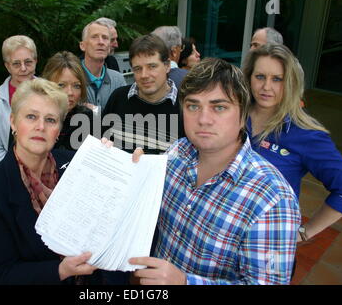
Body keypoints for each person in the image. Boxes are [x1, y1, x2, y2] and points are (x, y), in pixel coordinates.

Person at [128, 57, 301, 284]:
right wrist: (129, 172)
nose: (203, 119)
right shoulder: (177, 152)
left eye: (219, 107)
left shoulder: (273, 199)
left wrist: (185, 283)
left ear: (243, 115)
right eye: (193, 106)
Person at [0, 78, 97, 284]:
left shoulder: (76, 165)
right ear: (12, 121)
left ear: (59, 129)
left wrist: (116, 163)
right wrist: (60, 270)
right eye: (31, 116)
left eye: (51, 120)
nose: (40, 127)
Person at [242, 43, 342, 243]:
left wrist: (304, 232)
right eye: (260, 77)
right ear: (249, 77)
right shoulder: (234, 114)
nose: (266, 87)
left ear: (290, 82)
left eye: (277, 79)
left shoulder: (306, 133)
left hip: (267, 243)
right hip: (222, 233)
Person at [102, 34, 185, 154]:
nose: (144, 75)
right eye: (138, 69)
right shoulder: (118, 98)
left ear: (167, 66)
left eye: (152, 66)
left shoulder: (184, 106)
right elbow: (101, 141)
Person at [0, 35, 38, 164]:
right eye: (16, 64)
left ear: (36, 61)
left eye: (28, 62)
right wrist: (15, 170)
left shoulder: (50, 92)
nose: (23, 68)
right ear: (7, 66)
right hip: (11, 169)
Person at [41, 51, 94, 151]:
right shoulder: (32, 117)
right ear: (47, 85)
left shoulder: (87, 118)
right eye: (61, 85)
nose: (70, 92)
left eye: (76, 86)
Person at [79, 20, 126, 112]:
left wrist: (95, 110)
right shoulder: (71, 76)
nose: (101, 42)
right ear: (82, 45)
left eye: (105, 38)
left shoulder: (118, 79)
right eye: (94, 37)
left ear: (109, 47)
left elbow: (123, 117)